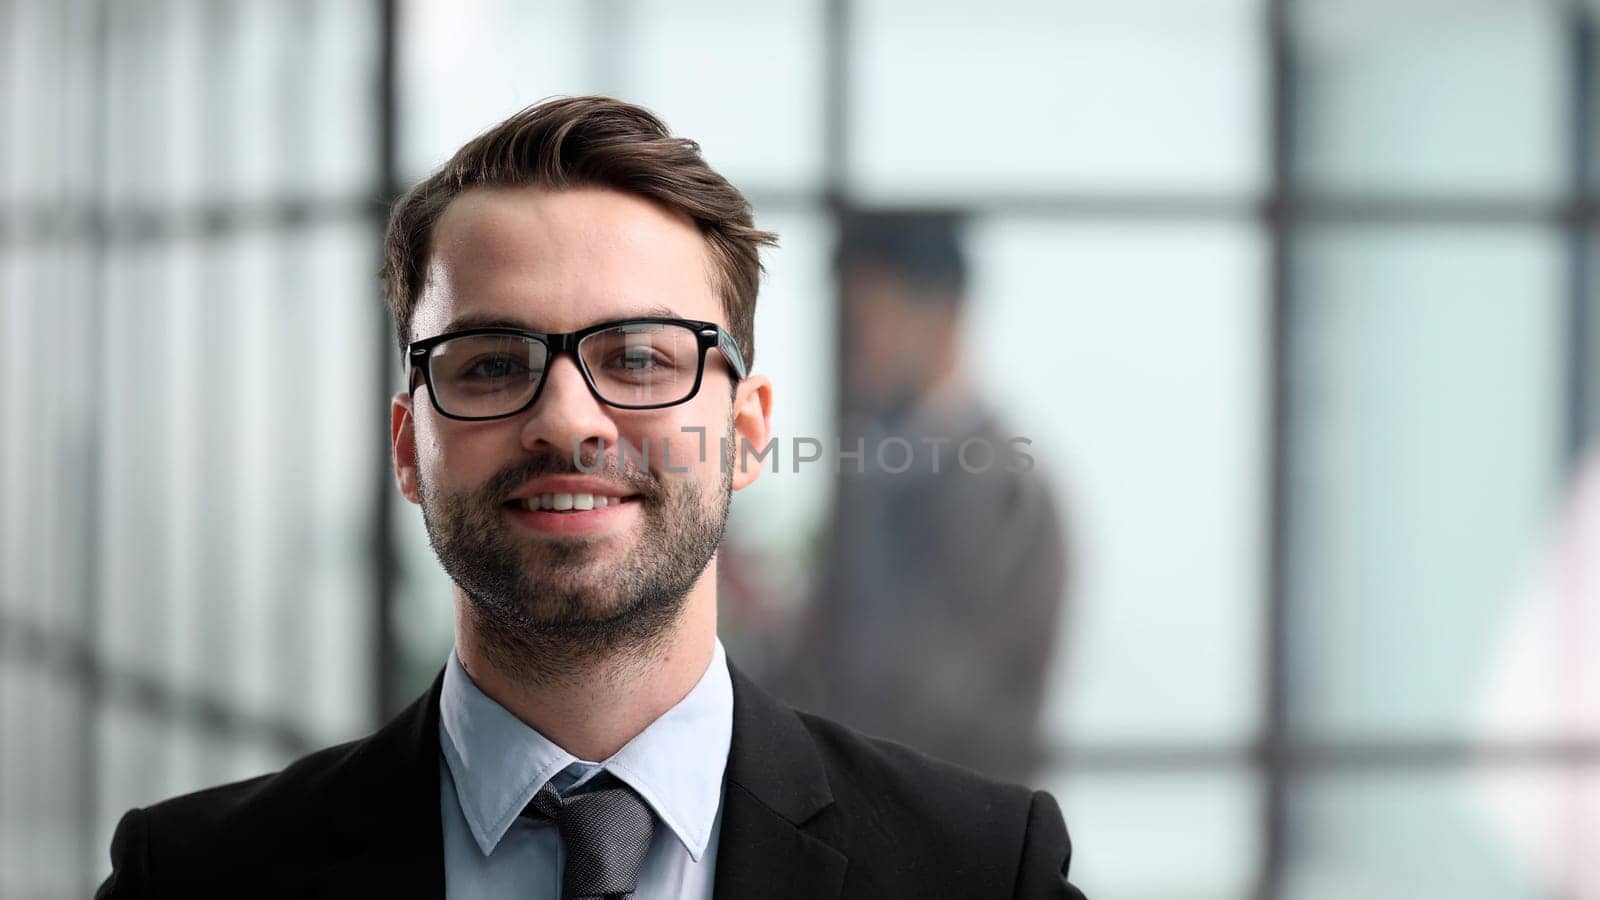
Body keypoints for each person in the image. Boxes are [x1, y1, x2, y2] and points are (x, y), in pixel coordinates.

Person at [95, 96, 1086, 899]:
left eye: (642, 358)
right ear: (408, 447)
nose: (569, 421)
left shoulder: (988, 873)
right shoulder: (187, 882)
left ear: (744, 436)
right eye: (489, 364)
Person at [786, 211, 1070, 786]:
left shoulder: (1003, 492)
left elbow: (919, 696)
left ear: (944, 317)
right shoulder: (878, 476)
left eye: (866, 323)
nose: (849, 348)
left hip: (954, 840)